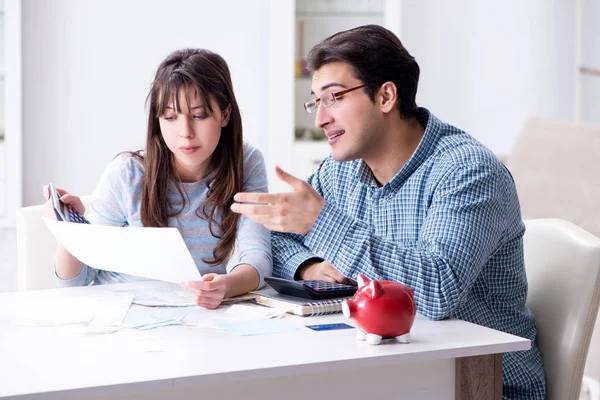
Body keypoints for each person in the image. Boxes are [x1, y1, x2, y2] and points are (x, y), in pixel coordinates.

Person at [230, 25, 544, 398]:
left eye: (334, 98)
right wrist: (311, 266)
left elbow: (436, 290)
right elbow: (277, 236)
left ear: (386, 96)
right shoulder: (341, 171)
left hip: (480, 384)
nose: (320, 119)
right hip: (387, 373)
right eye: (316, 103)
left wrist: (320, 222)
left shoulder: (468, 172)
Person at [43, 48, 272, 309]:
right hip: (123, 315)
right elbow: (74, 284)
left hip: (196, 317)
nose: (185, 132)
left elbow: (257, 255)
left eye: (198, 115)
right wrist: (71, 234)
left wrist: (226, 286)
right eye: (171, 117)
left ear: (225, 114)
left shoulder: (246, 162)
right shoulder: (127, 173)